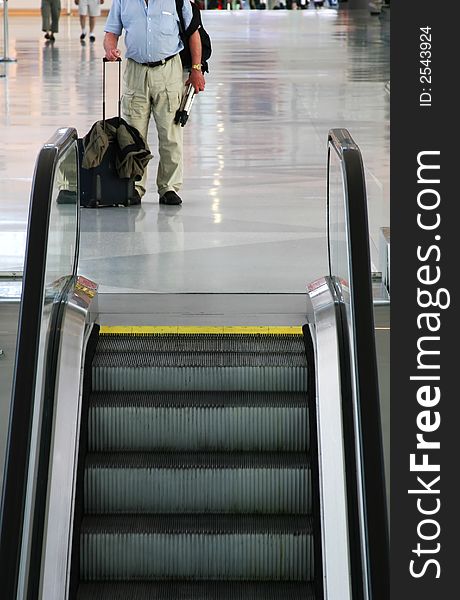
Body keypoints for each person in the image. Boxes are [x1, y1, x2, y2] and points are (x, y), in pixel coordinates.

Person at [104, 0, 206, 206]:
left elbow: (194, 32)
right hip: (135, 72)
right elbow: (111, 33)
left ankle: (168, 187)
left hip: (168, 70)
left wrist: (197, 69)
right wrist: (110, 49)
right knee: (133, 135)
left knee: (171, 133)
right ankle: (135, 186)